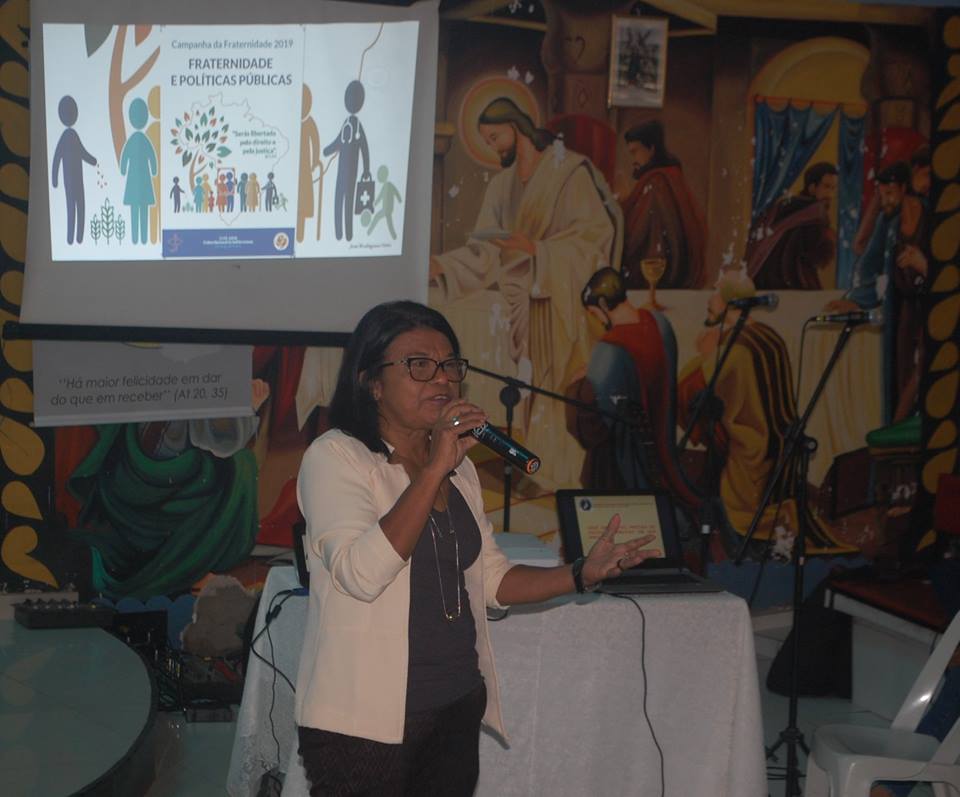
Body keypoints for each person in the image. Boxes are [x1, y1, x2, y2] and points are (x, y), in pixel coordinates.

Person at [294, 301, 658, 795]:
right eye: (419, 365)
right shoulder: (337, 457)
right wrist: (433, 469)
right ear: (371, 382)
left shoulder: (458, 467)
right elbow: (361, 574)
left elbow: (492, 579)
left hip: (456, 705)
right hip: (365, 722)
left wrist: (579, 573)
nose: (442, 379)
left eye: (450, 365)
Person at [429, 96, 621, 488]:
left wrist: (537, 250)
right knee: (536, 392)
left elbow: (595, 239)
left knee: (560, 390)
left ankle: (566, 476)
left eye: (495, 137)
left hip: (563, 301)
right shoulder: (502, 186)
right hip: (528, 309)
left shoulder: (568, 171)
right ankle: (542, 472)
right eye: (486, 141)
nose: (493, 147)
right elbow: (485, 252)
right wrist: (444, 266)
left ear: (516, 128)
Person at [677, 271, 854, 558]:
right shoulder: (768, 335)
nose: (710, 300)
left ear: (730, 302)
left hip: (750, 454)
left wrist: (706, 354)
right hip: (777, 445)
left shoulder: (734, 349)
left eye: (716, 293)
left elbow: (692, 391)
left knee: (732, 511)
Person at [567, 267, 701, 512]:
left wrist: (577, 386)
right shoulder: (659, 323)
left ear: (603, 304)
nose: (598, 321)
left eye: (595, 313)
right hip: (661, 443)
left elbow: (593, 426)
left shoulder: (608, 350)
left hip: (626, 460)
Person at [830, 161, 928, 423]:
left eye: (890, 193)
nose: (885, 200)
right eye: (881, 194)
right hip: (903, 311)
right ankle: (897, 431)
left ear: (904, 188)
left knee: (924, 370)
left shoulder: (931, 215)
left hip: (931, 308)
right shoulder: (889, 221)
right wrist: (855, 301)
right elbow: (867, 262)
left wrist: (923, 264)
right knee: (900, 372)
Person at [619, 120, 707, 289]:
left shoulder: (656, 183)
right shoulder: (670, 176)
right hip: (673, 278)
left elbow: (638, 235)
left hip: (657, 279)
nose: (633, 160)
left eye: (635, 152)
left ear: (651, 149)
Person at [746, 161, 838, 290]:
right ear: (812, 187)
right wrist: (829, 239)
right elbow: (818, 256)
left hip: (763, 281)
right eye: (827, 187)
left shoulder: (784, 204)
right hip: (796, 282)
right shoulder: (817, 212)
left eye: (833, 188)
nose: (831, 194)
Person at [323, 79, 371, 242]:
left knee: (348, 201)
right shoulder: (347, 124)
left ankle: (348, 235)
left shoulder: (357, 125)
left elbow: (364, 147)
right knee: (339, 200)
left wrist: (366, 169)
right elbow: (339, 141)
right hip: (341, 172)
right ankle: (339, 233)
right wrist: (327, 151)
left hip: (351, 173)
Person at [51, 95, 98, 245]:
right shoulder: (66, 137)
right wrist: (54, 179)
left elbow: (82, 152)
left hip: (76, 180)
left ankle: (78, 238)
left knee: (79, 206)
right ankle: (72, 238)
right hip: (71, 181)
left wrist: (93, 161)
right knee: (73, 207)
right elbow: (57, 158)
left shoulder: (72, 136)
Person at [119, 97, 158, 245]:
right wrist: (153, 170)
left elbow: (126, 157)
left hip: (137, 181)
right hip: (140, 180)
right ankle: (139, 238)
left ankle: (138, 238)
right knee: (140, 209)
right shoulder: (141, 139)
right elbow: (151, 157)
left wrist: (124, 169)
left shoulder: (136, 140)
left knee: (138, 210)